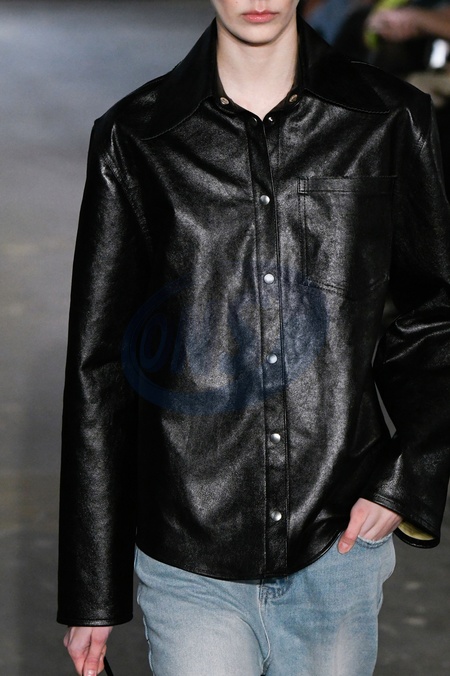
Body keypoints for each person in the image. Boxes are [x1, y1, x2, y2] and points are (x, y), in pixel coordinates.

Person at [58, 1, 450, 675]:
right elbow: (99, 365)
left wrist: (405, 480)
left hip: (337, 541)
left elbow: (435, 312)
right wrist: (92, 591)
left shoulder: (388, 118)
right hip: (188, 549)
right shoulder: (139, 135)